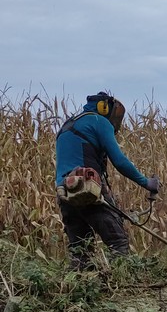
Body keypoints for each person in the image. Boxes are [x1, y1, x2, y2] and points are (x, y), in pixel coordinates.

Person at [55, 92, 160, 269]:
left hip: (64, 191)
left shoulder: (67, 125)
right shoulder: (99, 122)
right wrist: (145, 182)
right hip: (88, 188)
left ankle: (78, 289)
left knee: (80, 250)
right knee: (117, 242)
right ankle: (122, 286)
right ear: (104, 108)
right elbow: (119, 161)